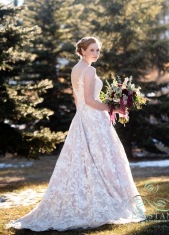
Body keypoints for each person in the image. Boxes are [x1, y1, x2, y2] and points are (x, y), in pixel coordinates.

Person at [6, 36, 146, 232]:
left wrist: (98, 110)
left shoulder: (75, 69)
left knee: (85, 158)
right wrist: (114, 108)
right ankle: (105, 200)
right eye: (92, 50)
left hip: (81, 118)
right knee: (102, 157)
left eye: (97, 50)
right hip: (93, 118)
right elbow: (89, 100)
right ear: (82, 51)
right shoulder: (89, 70)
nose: (96, 54)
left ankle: (87, 197)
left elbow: (77, 100)